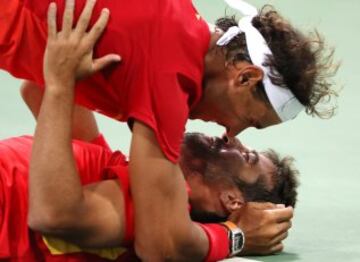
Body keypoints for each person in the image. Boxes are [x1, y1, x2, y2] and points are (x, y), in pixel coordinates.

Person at [0, 0, 335, 259]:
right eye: (250, 120)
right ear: (244, 78)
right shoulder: (173, 74)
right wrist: (237, 235)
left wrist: (62, 83)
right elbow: (161, 245)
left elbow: (38, 86)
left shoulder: (175, 27)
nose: (232, 131)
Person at [0, 82, 299, 261]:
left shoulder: (153, 212)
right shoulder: (116, 167)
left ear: (232, 200)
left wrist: (236, 234)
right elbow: (40, 88)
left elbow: (53, 213)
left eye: (246, 157)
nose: (229, 137)